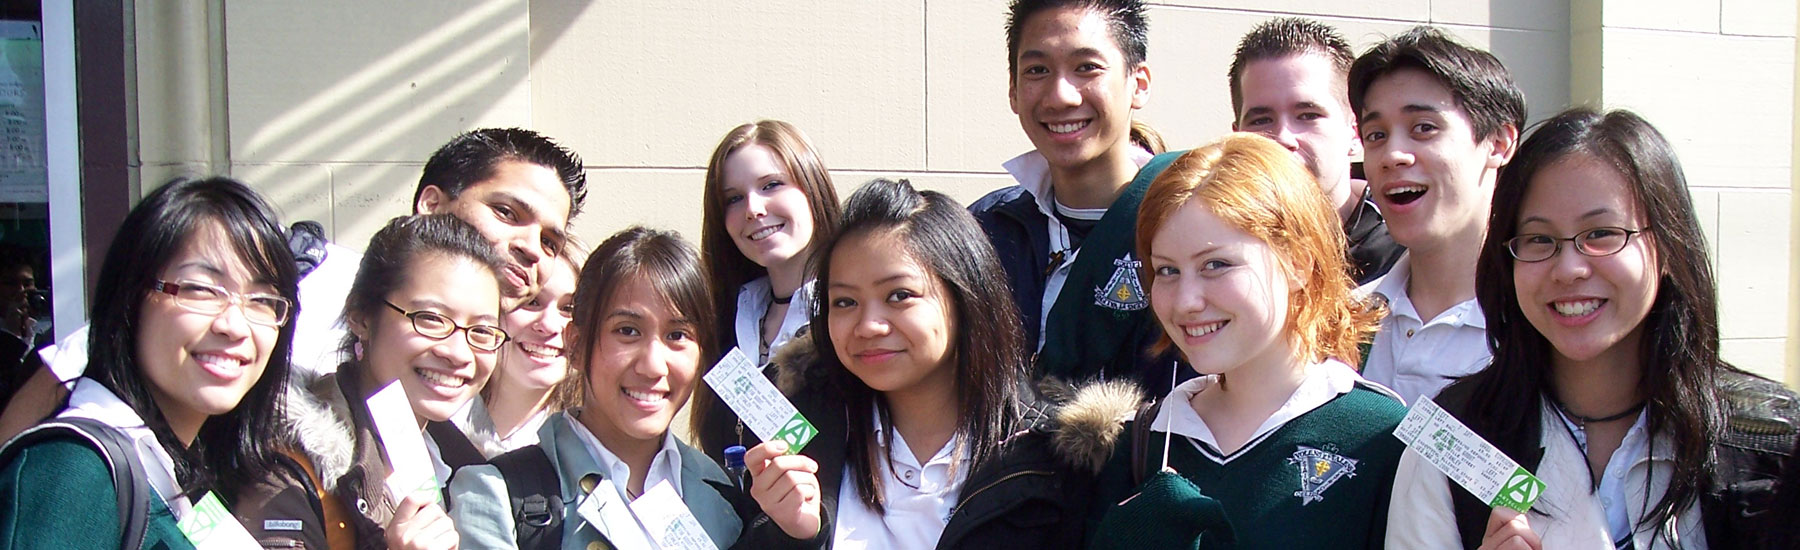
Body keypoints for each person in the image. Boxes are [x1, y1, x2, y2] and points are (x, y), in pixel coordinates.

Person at [0, 127, 589, 441]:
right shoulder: (301, 281)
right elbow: (71, 370)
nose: (530, 248)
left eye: (550, 239)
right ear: (430, 205)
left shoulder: (502, 362)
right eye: (508, 213)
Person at [1386, 108, 1800, 550]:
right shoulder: (1453, 436)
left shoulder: (1772, 440)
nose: (1569, 269)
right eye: (1539, 240)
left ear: (1667, 245)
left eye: (1602, 233)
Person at [740, 178, 1134, 549]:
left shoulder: (1058, 456)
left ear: (966, 298)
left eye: (899, 295)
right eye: (845, 302)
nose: (868, 326)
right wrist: (795, 534)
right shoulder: (804, 430)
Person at [1086, 134, 1404, 549]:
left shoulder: (1379, 431)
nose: (1186, 301)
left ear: (1297, 262)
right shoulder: (1143, 438)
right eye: (1166, 271)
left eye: (1215, 265)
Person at [0, 177, 298, 548]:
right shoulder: (74, 470)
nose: (234, 325)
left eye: (262, 299)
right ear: (131, 298)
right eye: (200, 289)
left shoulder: (184, 471)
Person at [450, 227, 757, 549]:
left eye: (677, 335)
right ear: (576, 345)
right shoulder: (495, 493)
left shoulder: (721, 491)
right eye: (627, 331)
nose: (653, 366)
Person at [234, 214, 510, 550]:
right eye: (431, 319)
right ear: (361, 316)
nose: (459, 353)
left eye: (481, 331)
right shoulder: (288, 469)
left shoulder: (471, 470)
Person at [971, 0, 1164, 387]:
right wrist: (810, 441)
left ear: (1138, 83)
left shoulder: (1187, 226)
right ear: (1013, 91)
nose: (1061, 96)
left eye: (1086, 68)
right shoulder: (982, 232)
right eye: (1037, 70)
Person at [1348, 26, 1525, 404]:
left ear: (1499, 143)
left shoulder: (1538, 327)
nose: (1393, 155)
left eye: (1423, 128)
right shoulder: (1342, 321)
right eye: (1376, 135)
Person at [692, 120, 844, 461]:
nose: (753, 209)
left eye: (771, 185)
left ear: (812, 187)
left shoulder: (850, 320)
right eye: (732, 199)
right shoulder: (726, 320)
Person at [1227, 16, 1402, 285]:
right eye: (1261, 120)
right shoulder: (1214, 248)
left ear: (1355, 131)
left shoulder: (1405, 250)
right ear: (1238, 138)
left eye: (1308, 115)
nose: (1284, 138)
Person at [454, 250, 584, 458]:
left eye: (568, 309)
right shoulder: (428, 421)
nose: (549, 326)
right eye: (531, 301)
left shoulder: (587, 453)